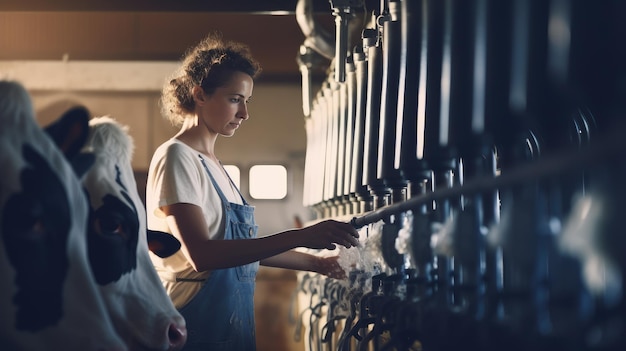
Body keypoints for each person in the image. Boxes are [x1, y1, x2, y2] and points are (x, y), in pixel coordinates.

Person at [145, 32, 360, 351]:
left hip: (231, 328)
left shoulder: (216, 166)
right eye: (235, 99)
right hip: (190, 327)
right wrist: (300, 235)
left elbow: (242, 250)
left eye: (247, 101)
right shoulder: (177, 156)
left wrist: (317, 263)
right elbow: (201, 255)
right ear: (200, 94)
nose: (244, 113)